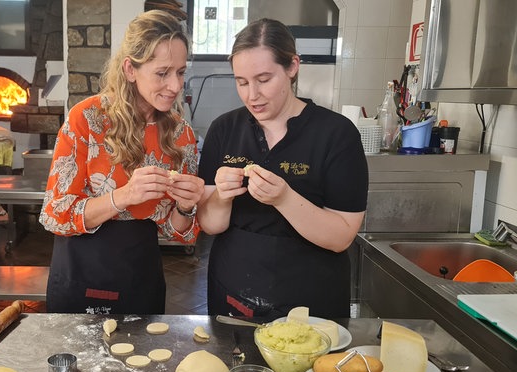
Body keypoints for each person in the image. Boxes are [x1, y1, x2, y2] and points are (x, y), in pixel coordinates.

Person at [197, 18, 369, 320]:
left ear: (292, 67)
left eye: (264, 79)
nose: (252, 95)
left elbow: (342, 236)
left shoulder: (337, 134)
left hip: (311, 300)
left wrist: (284, 199)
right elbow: (210, 224)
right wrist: (222, 196)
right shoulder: (224, 129)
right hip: (234, 292)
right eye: (241, 82)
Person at [39, 10, 204, 315]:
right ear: (130, 69)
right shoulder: (86, 120)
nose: (175, 85)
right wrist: (124, 196)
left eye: (180, 72)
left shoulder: (180, 134)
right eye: (162, 73)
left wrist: (185, 206)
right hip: (80, 277)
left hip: (140, 280)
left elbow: (175, 232)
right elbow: (54, 214)